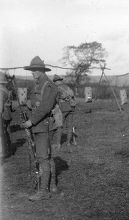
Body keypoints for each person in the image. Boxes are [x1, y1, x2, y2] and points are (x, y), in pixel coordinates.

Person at [21, 56, 60, 201]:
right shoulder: (37, 86)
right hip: (38, 126)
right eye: (31, 70)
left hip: (44, 126)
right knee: (45, 156)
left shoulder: (49, 86)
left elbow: (45, 107)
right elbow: (36, 104)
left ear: (41, 71)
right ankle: (53, 185)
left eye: (34, 70)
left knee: (43, 157)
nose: (32, 73)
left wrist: (31, 121)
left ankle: (44, 191)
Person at [53, 74, 77, 150]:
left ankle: (58, 144)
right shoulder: (67, 87)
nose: (55, 83)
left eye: (55, 81)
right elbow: (73, 96)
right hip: (71, 107)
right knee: (69, 126)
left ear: (56, 81)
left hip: (63, 108)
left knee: (59, 126)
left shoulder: (57, 88)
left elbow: (55, 99)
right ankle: (68, 143)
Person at [0, 72, 14, 159]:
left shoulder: (0, 91)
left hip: (3, 114)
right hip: (7, 114)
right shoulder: (5, 90)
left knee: (2, 133)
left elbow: (0, 105)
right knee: (6, 132)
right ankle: (9, 149)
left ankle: (4, 152)